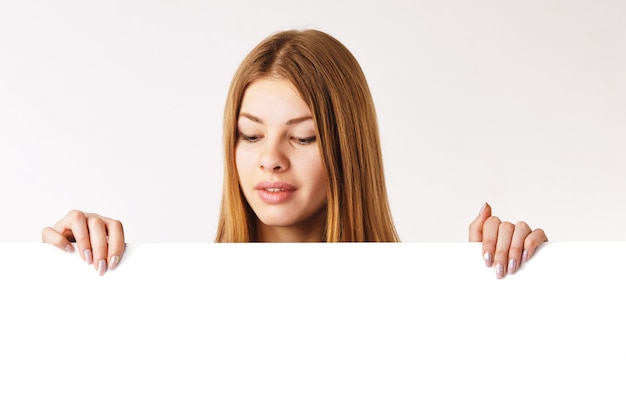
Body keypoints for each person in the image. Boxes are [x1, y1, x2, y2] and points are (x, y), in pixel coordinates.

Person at [41, 29, 547, 278]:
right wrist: (68, 269)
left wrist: (498, 285)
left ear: (350, 150)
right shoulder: (174, 293)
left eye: (303, 137)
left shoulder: (420, 300)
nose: (271, 159)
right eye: (250, 134)